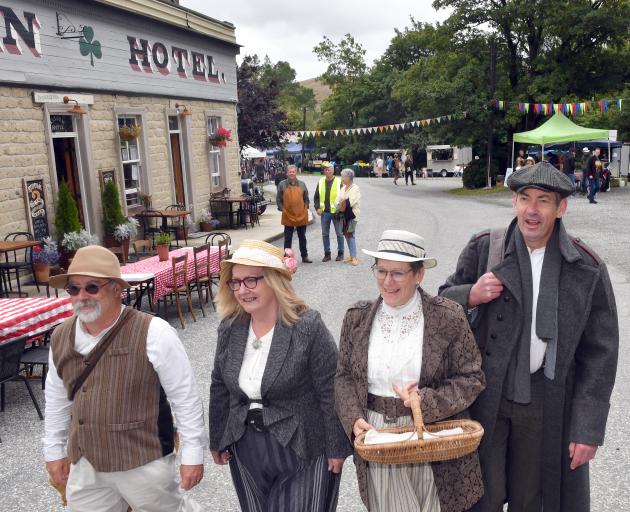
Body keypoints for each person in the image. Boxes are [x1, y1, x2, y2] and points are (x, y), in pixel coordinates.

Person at [439, 161, 619, 512]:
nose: (531, 210)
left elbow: (601, 354)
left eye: (543, 201)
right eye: (524, 198)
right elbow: (441, 302)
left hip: (545, 401)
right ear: (514, 202)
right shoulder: (484, 248)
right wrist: (471, 294)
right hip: (484, 398)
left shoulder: (586, 266)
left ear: (561, 208)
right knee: (480, 497)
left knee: (532, 499)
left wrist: (587, 429)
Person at [44, 246, 206, 511]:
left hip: (143, 462)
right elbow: (56, 398)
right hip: (86, 464)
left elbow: (185, 399)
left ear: (118, 290)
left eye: (92, 287)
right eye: (74, 289)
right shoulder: (61, 335)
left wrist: (192, 454)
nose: (81, 296)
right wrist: (54, 451)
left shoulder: (154, 332)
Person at [335, 230, 486, 512]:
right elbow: (343, 375)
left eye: (397, 274)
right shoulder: (356, 318)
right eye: (381, 271)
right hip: (378, 440)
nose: (387, 281)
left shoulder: (448, 316)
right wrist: (354, 418)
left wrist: (425, 401)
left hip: (432, 439)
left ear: (419, 275)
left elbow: (472, 378)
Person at [209, 240, 352, 511]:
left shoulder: (307, 327)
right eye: (236, 282)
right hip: (245, 445)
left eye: (251, 281)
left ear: (274, 280)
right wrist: (218, 437)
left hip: (302, 446)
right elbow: (219, 385)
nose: (242, 290)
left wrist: (337, 446)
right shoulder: (230, 328)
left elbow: (329, 388)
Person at [276, 164, 312, 263]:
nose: (292, 173)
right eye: (290, 172)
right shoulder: (282, 184)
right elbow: (278, 199)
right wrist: (282, 209)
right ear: (287, 173)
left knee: (302, 237)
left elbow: (306, 199)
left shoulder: (302, 184)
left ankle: (304, 256)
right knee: (288, 238)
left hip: (301, 215)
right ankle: (287, 257)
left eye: (293, 172)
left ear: (296, 172)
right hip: (287, 215)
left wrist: (305, 209)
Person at [314, 163, 344, 262]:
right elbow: (316, 197)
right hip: (324, 213)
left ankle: (340, 253)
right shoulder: (321, 181)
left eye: (329, 169)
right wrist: (317, 208)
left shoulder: (339, 182)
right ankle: (327, 254)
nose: (327, 171)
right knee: (325, 234)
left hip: (336, 212)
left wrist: (341, 210)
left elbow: (344, 198)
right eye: (325, 170)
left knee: (339, 233)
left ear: (333, 170)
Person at [334, 168, 361, 266]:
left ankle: (354, 258)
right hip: (343, 215)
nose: (341, 178)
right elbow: (336, 200)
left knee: (351, 234)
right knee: (346, 234)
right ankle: (351, 255)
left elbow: (352, 201)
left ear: (348, 177)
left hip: (351, 215)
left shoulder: (355, 188)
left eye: (343, 176)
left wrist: (342, 202)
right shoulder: (343, 187)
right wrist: (341, 202)